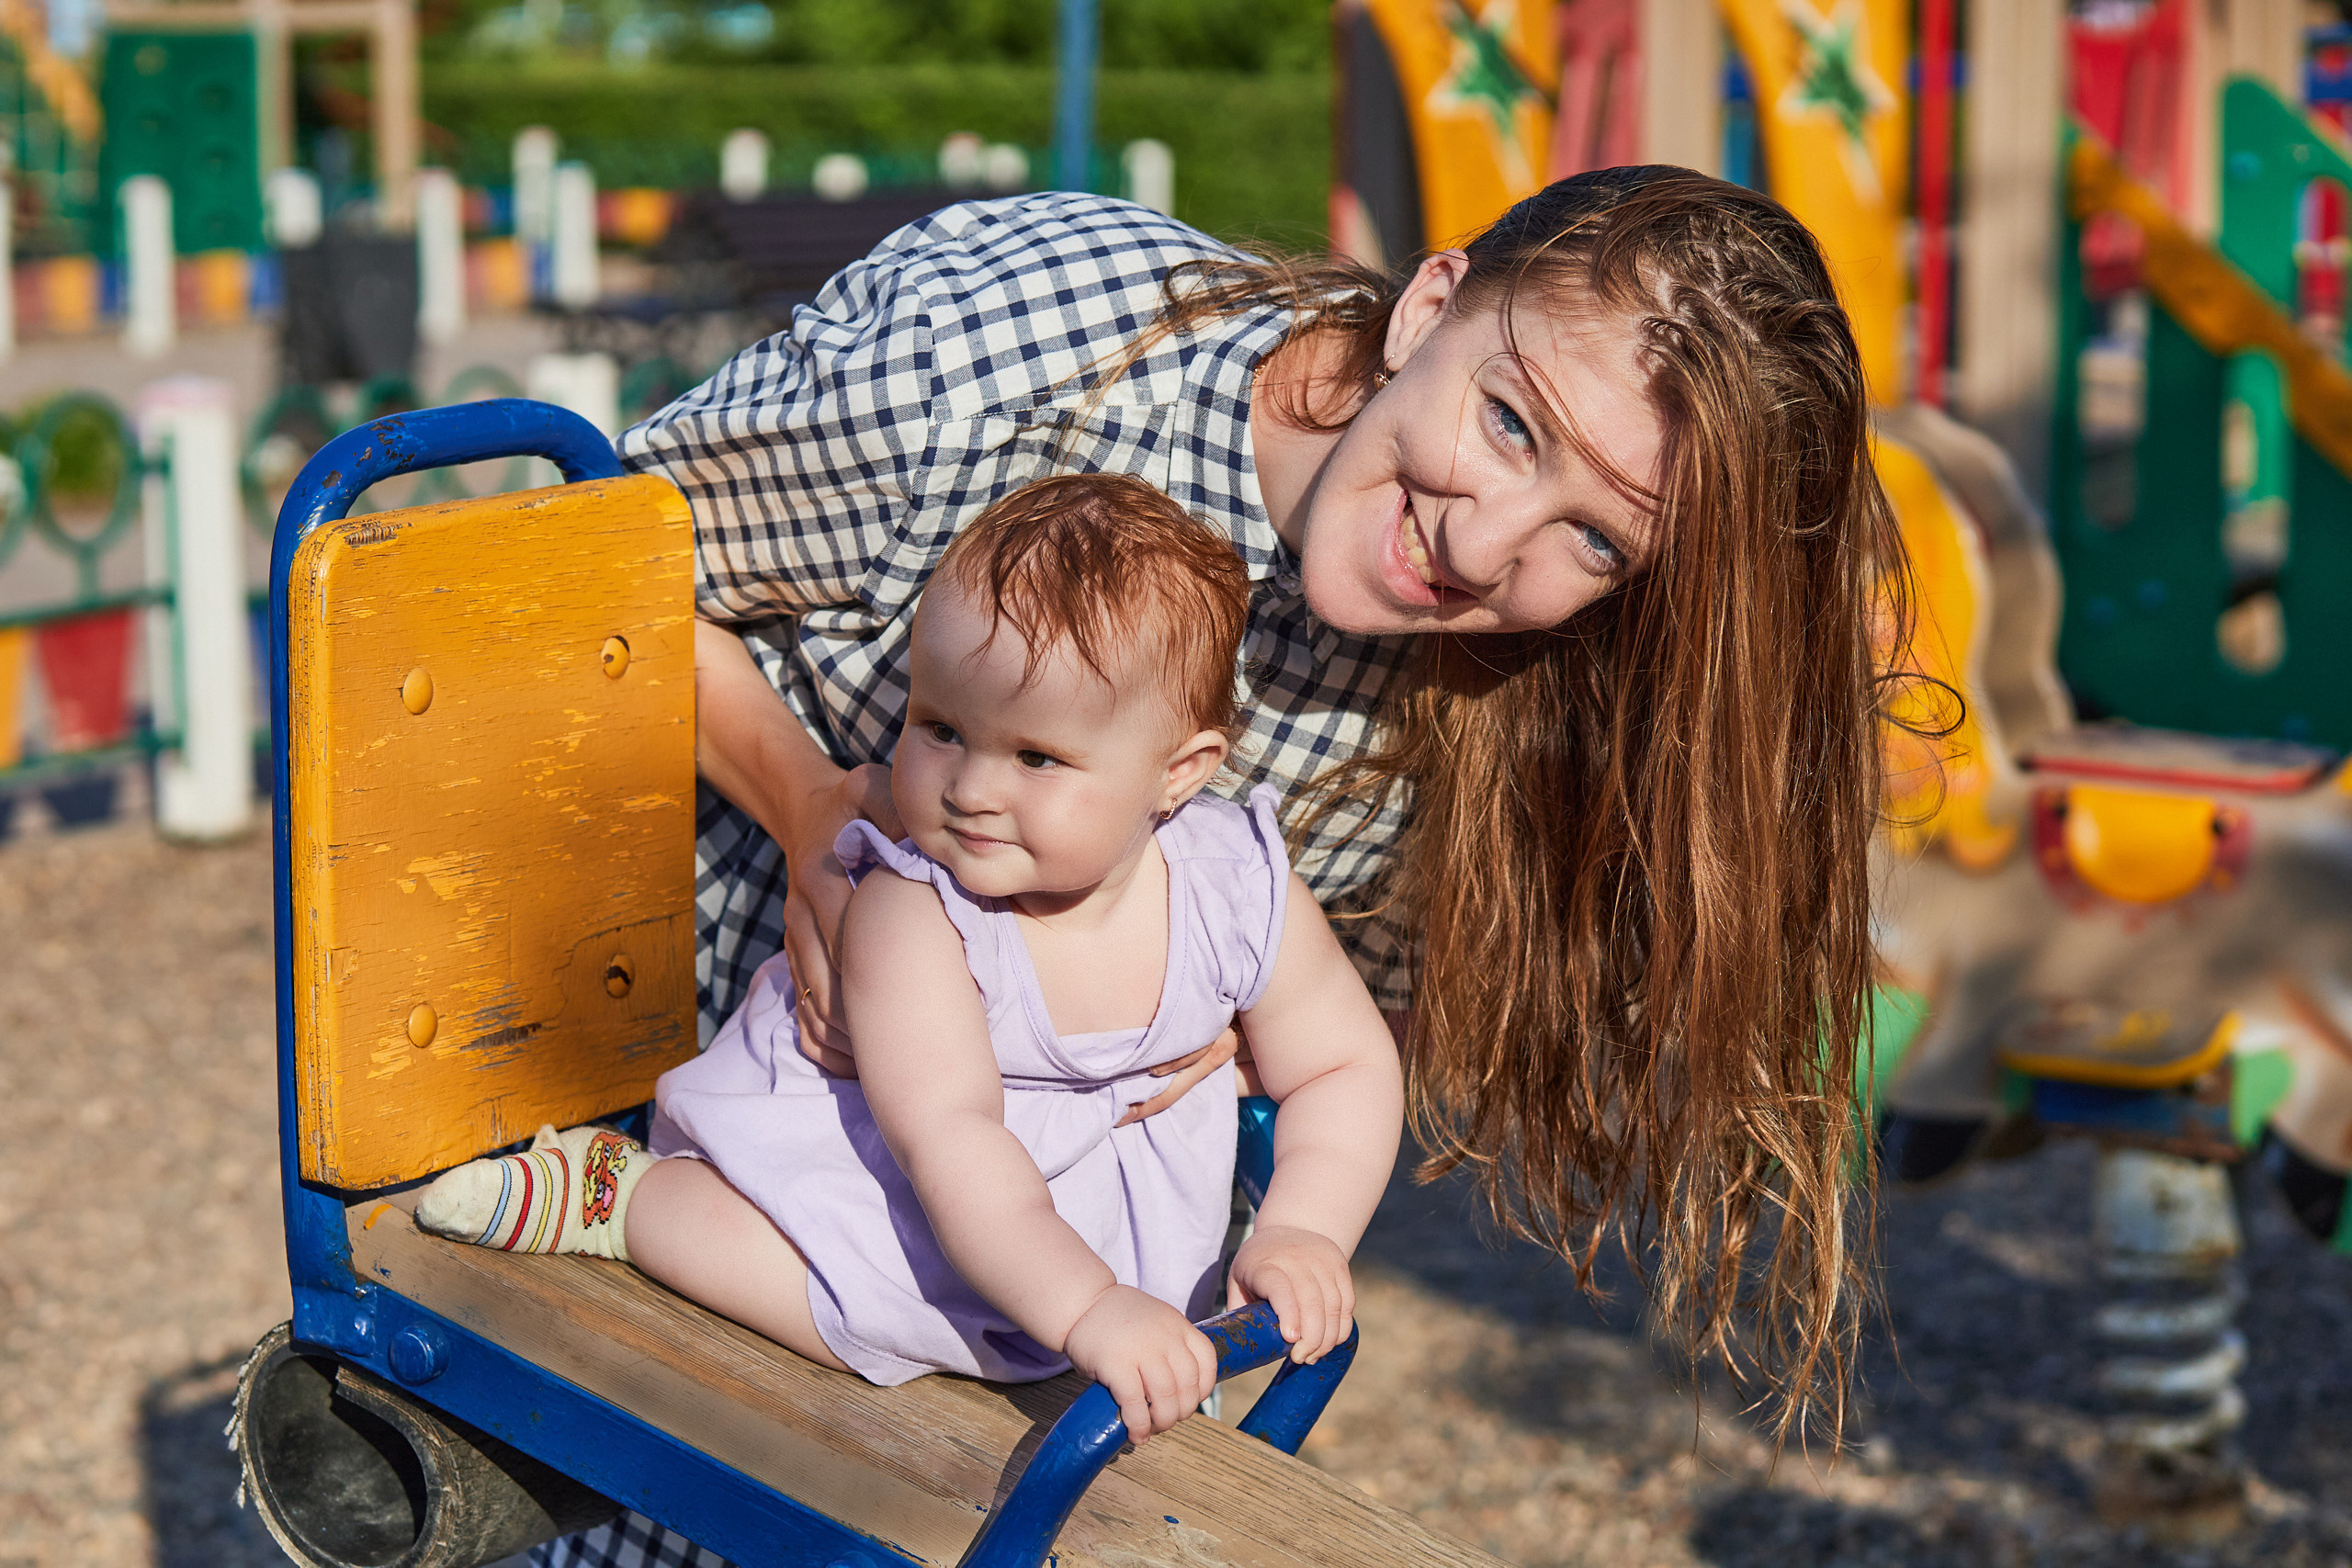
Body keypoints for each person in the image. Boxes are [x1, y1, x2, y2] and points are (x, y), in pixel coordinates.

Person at [538, 164, 1898, 1568]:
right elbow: (581, 572)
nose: (1482, 541)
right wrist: (808, 799)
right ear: (1428, 304)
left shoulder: (1502, 692)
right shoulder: (1014, 351)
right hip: (685, 1075)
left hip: (1037, 1294)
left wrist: (1221, 1059)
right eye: (1510, 420)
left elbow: (1358, 1019)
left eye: (1597, 536)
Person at [417, 473, 1406, 1443]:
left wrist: (1301, 1228)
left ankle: (1105, 1336)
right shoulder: (920, 909)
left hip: (1079, 1236)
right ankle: (625, 1197)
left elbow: (1343, 1063)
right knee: (844, 1306)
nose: (971, 787)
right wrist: (1088, 1305)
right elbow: (951, 1141)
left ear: (1178, 772)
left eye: (1036, 757)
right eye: (940, 729)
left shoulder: (1236, 886)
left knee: (1114, 1374)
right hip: (896, 1188)